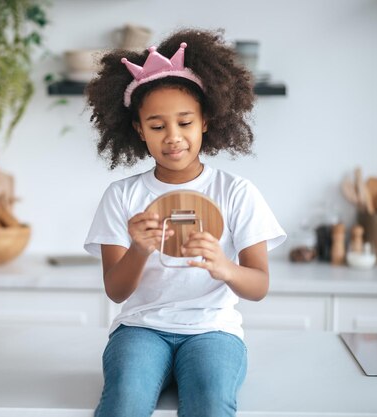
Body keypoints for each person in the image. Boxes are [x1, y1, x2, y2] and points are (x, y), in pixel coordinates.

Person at [84, 28, 286, 417]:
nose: (173, 137)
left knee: (210, 404)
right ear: (139, 130)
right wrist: (140, 248)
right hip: (141, 330)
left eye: (185, 122)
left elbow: (259, 286)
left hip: (213, 332)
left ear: (206, 122)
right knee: (124, 403)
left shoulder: (236, 192)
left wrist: (224, 267)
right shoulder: (122, 196)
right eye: (157, 126)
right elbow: (116, 290)